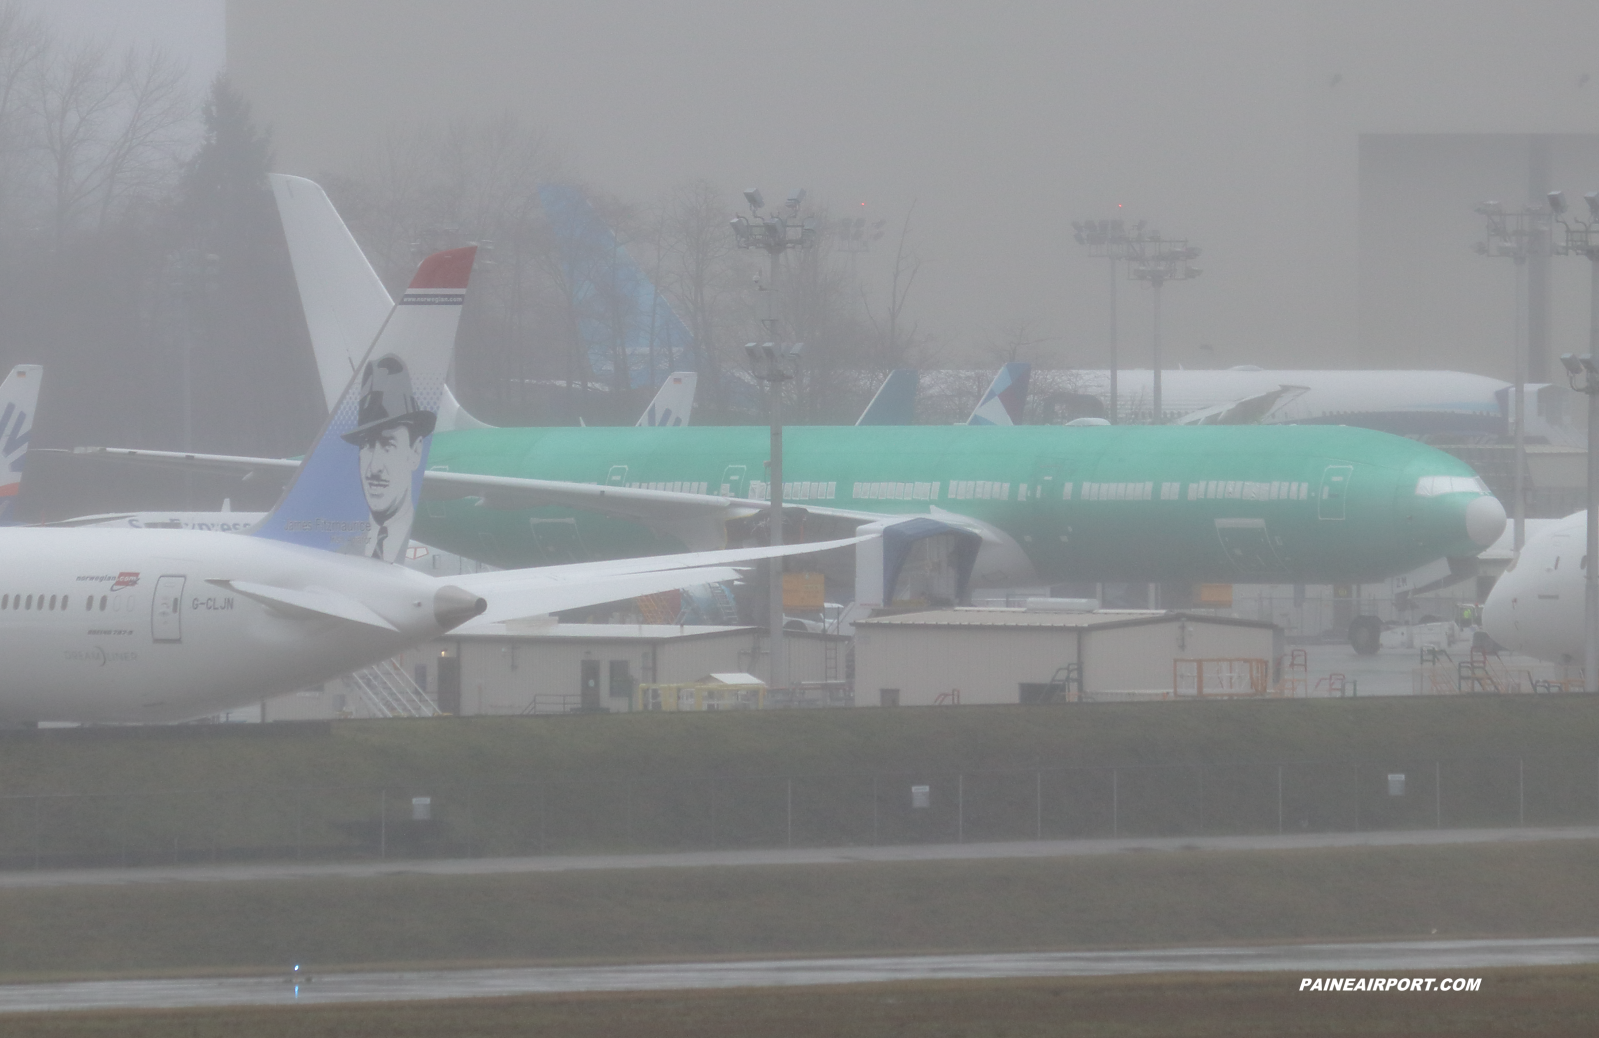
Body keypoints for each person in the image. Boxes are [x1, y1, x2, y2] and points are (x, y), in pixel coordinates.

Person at [340, 354, 436, 562]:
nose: (373, 467)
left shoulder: (430, 545)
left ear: (416, 452)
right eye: (366, 445)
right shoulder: (346, 547)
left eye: (387, 445)